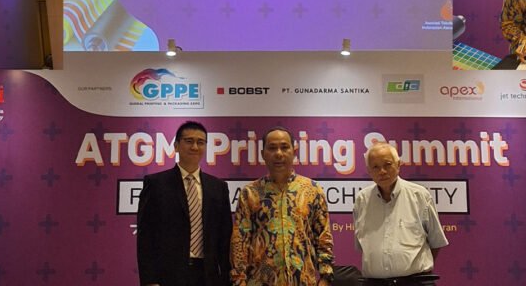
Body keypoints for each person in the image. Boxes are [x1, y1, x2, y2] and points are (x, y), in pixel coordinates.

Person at [230, 128, 334, 286]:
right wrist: (239, 280)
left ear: (294, 151)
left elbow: (323, 237)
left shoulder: (312, 190)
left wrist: (325, 277)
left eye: (284, 147)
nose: (278, 153)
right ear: (263, 154)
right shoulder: (250, 193)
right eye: (272, 148)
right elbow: (240, 241)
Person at [137, 121, 232, 286]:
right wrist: (149, 280)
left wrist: (226, 278)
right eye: (189, 141)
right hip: (168, 275)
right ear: (176, 146)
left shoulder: (218, 187)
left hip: (208, 276)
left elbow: (225, 238)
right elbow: (146, 236)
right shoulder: (156, 184)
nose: (195, 147)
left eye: (200, 142)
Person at [353, 143, 448, 286]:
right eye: (375, 167)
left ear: (398, 165)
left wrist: (413, 271)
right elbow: (363, 246)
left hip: (415, 282)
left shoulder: (419, 195)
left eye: (387, 165)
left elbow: (436, 241)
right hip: (374, 283)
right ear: (369, 171)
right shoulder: (362, 200)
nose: (382, 171)